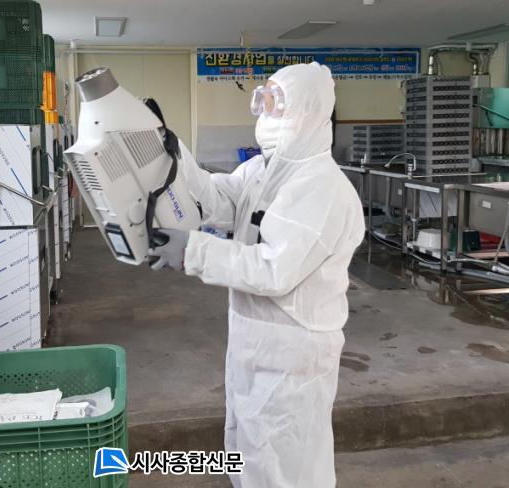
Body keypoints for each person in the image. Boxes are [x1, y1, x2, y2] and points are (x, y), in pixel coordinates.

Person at [148, 62, 365, 487]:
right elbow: (216, 199)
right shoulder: (263, 171)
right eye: (262, 102)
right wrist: (175, 153)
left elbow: (273, 269)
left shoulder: (322, 187)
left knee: (285, 466)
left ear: (308, 112)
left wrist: (192, 250)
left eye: (275, 104)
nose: (265, 114)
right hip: (254, 344)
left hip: (293, 358)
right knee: (249, 455)